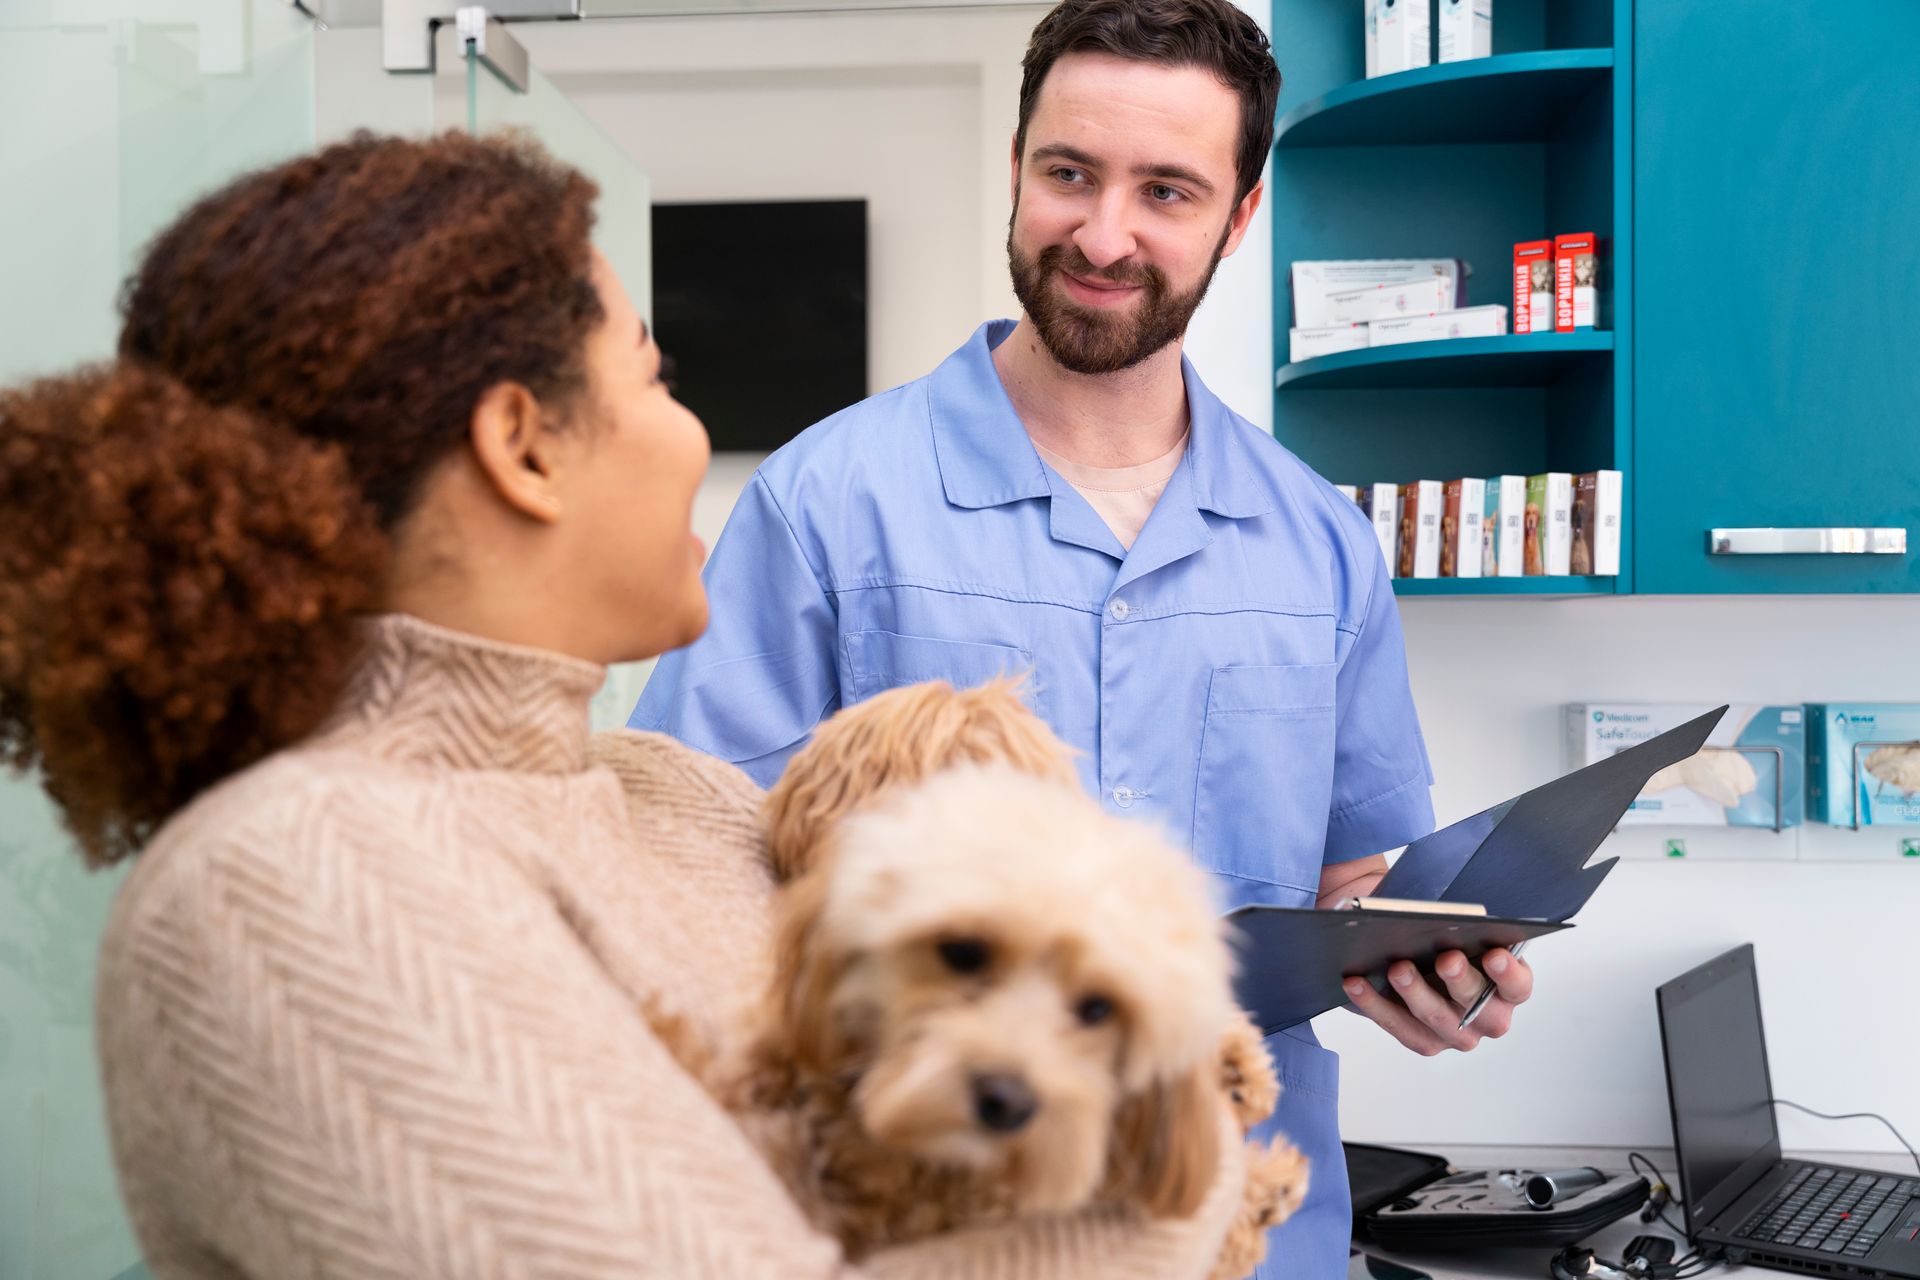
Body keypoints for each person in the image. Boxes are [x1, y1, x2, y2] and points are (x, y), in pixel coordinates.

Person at [0, 132, 1247, 1279]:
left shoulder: (678, 794)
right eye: (654, 376)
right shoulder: (291, 875)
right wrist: (1177, 1198)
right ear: (523, 445)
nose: (694, 434)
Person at [630, 0, 1534, 1272]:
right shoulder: (826, 499)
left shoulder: (1320, 539)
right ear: (1016, 170)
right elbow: (684, 871)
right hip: (921, 1221)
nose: (1103, 235)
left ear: (1240, 213)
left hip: (1245, 1218)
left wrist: (1419, 959)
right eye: (1069, 174)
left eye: (1167, 190)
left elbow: (1345, 882)